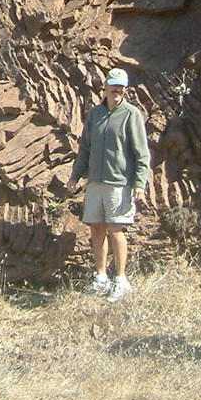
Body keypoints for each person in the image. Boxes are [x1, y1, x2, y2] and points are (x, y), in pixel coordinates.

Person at [67, 67, 150, 302]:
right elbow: (85, 148)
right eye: (113, 85)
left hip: (119, 183)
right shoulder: (95, 114)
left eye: (121, 86)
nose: (117, 90)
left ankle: (121, 280)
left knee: (116, 229)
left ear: (125, 89)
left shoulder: (131, 114)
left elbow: (141, 153)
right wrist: (75, 176)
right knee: (96, 229)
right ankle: (101, 277)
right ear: (105, 86)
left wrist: (139, 183)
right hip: (95, 182)